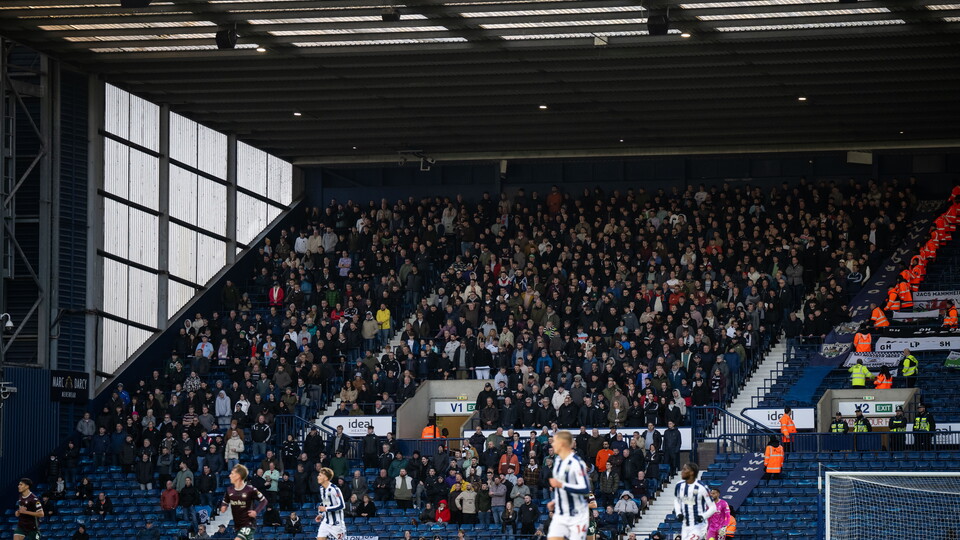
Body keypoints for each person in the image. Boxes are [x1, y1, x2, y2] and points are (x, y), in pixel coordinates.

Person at [547, 431, 591, 540]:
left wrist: (562, 485)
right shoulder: (558, 461)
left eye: (555, 442)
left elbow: (585, 488)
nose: (552, 444)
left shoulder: (576, 463)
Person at [219, 465, 267, 540]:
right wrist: (223, 506)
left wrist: (256, 511)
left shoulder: (250, 490)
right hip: (238, 525)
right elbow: (225, 502)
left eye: (232, 474)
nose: (229, 475)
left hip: (249, 524)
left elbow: (264, 501)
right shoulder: (229, 490)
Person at [673, 462, 716, 540]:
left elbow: (713, 507)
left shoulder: (702, 487)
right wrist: (678, 513)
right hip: (685, 526)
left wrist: (703, 516)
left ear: (692, 472)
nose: (682, 471)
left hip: (699, 526)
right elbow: (677, 500)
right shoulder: (679, 485)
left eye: (684, 469)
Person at [315, 467, 347, 540]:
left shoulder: (334, 489)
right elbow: (326, 502)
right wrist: (321, 514)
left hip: (336, 524)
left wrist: (325, 509)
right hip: (326, 522)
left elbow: (342, 505)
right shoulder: (322, 489)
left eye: (320, 475)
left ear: (326, 478)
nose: (317, 477)